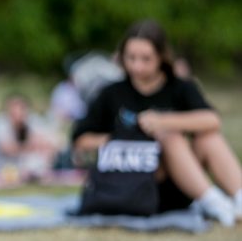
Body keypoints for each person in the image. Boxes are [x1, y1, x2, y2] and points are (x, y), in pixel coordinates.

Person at [72, 20, 241, 225]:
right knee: (168, 138)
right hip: (135, 185)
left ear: (161, 56)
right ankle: (215, 203)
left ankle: (237, 199)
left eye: (145, 59)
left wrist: (164, 121)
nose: (137, 66)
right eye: (131, 58)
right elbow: (80, 140)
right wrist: (126, 139)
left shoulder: (181, 87)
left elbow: (212, 120)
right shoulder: (111, 94)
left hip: (180, 184)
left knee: (204, 137)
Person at [0, 93, 59, 181]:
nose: (18, 113)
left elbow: (51, 143)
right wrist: (31, 145)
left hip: (25, 165)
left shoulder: (32, 121)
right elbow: (7, 149)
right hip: (0, 166)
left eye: (21, 109)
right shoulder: (0, 123)